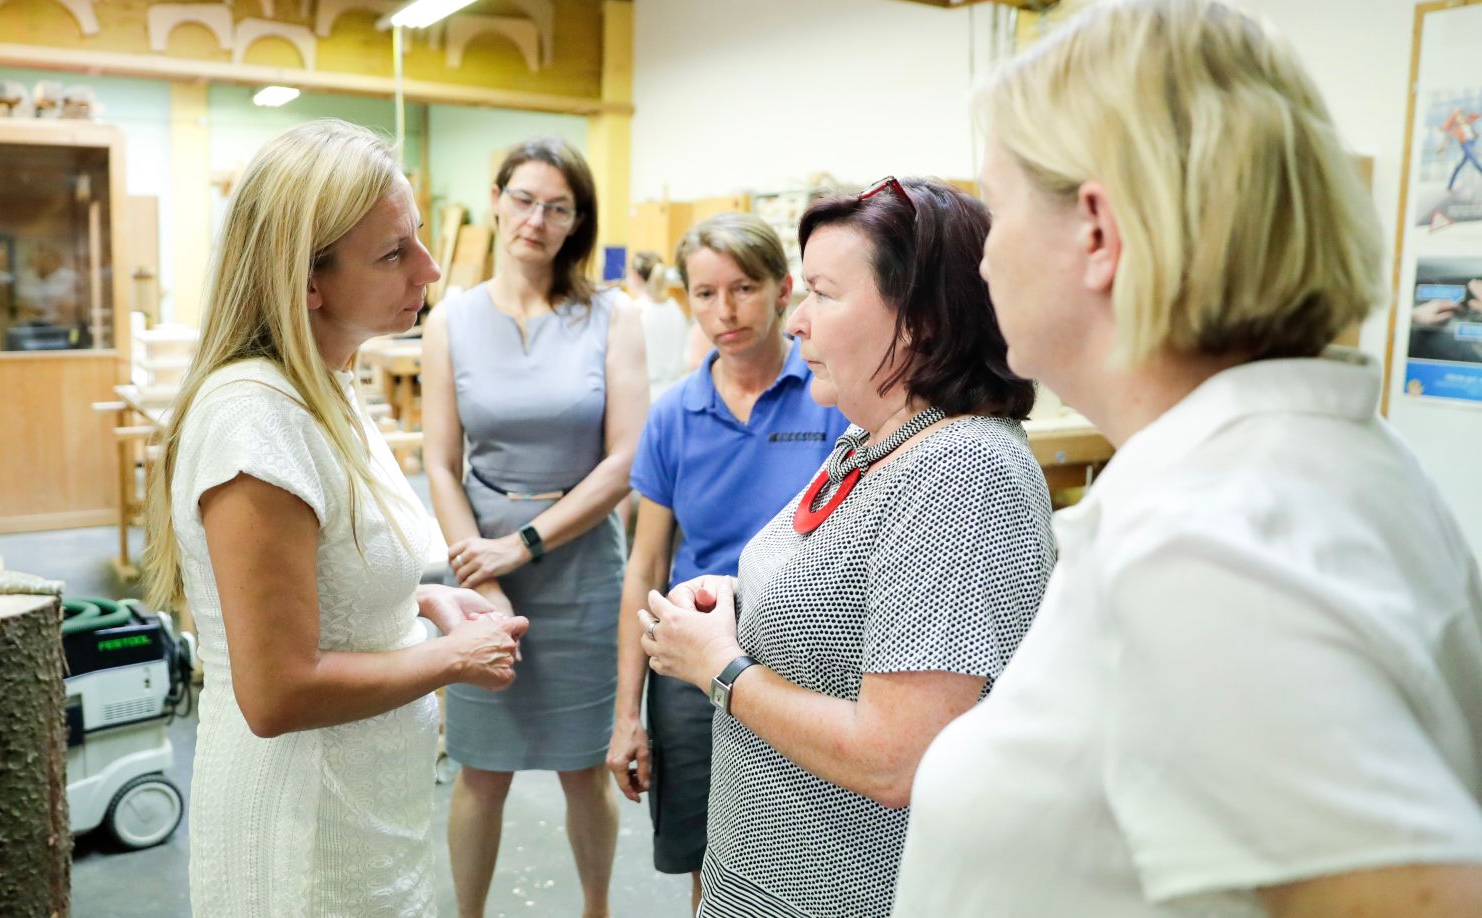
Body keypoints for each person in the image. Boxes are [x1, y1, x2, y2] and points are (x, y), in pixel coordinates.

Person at [894, 0, 1482, 918]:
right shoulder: (1308, 467)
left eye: (997, 211)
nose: (986, 256)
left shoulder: (1204, 538)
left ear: (1097, 232)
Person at [640, 177, 1055, 918]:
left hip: (844, 894)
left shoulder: (960, 472)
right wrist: (733, 602)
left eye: (823, 296)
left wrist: (719, 667)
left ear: (920, 319)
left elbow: (900, 757)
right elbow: (836, 595)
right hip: (762, 876)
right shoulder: (872, 442)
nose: (796, 323)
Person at [143, 120, 529, 915]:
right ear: (306, 280)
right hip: (302, 828)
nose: (429, 267)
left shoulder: (328, 386)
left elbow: (328, 584)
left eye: (418, 237)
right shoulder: (256, 421)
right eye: (394, 254)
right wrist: (454, 656)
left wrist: (420, 603)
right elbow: (277, 691)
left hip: (363, 811)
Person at [421, 136, 648, 918]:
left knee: (584, 766)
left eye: (558, 207)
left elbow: (624, 460)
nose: (536, 219)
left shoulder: (612, 316)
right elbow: (441, 461)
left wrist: (522, 544)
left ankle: (596, 908)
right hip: (480, 572)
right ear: (496, 200)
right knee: (481, 768)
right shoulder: (449, 318)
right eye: (523, 199)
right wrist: (474, 570)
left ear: (576, 221)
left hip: (583, 570)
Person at [606, 212, 848, 913]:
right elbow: (646, 568)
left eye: (743, 288)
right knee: (711, 862)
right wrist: (628, 716)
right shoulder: (675, 415)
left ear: (783, 289)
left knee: (815, 854)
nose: (725, 312)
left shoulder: (830, 396)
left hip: (808, 661)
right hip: (691, 666)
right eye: (704, 294)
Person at [627, 250, 694, 402]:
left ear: (635, 276)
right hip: (676, 394)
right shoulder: (676, 308)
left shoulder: (634, 312)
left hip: (645, 397)